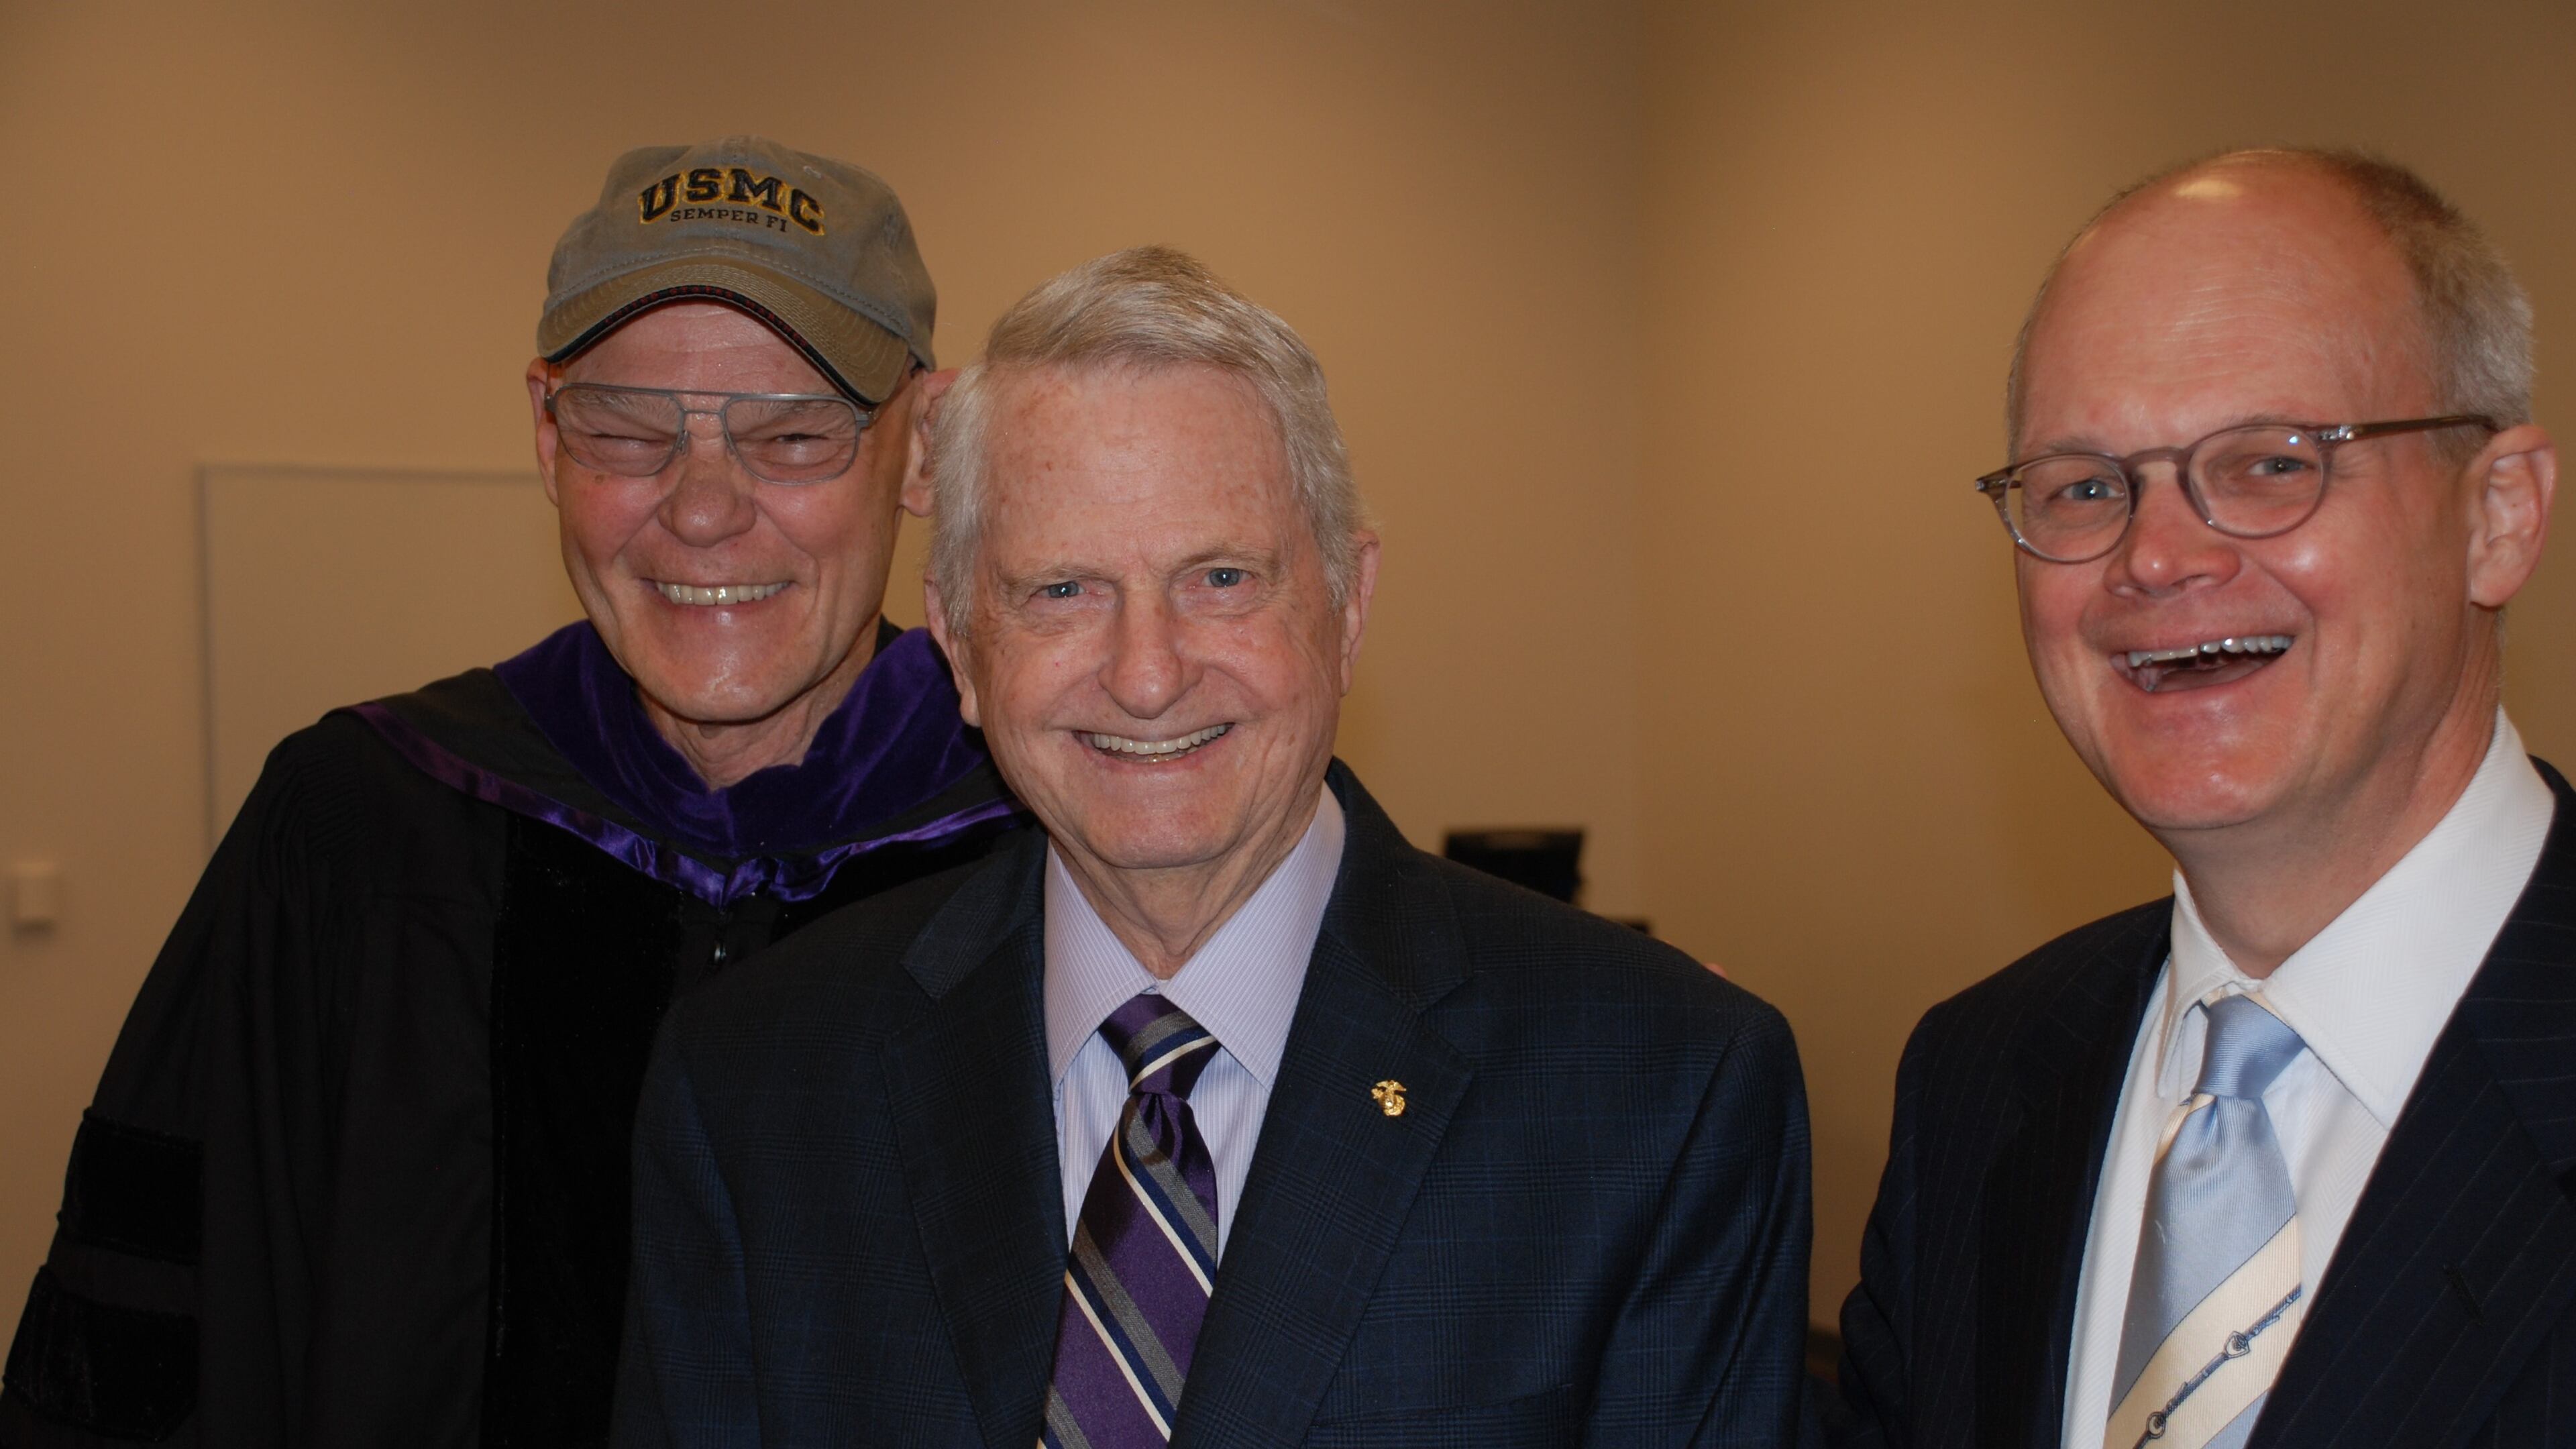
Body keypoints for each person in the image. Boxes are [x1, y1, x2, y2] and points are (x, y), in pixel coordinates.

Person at [612, 246, 1815, 1446]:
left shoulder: (1660, 1090)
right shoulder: (757, 1089)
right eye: (1062, 591)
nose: (1146, 675)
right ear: (959, 643)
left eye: (1222, 578)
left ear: (1346, 606)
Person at [0, 137, 1020, 1447]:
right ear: (544, 432)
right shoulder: (357, 832)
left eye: (792, 435)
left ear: (927, 450)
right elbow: (140, 1336)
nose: (702, 510)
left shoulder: (1039, 857)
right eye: (626, 429)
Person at [1833, 148, 2569, 1448]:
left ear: (2498, 516)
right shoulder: (1979, 1079)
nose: (2157, 556)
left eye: (2273, 462)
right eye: (2083, 487)